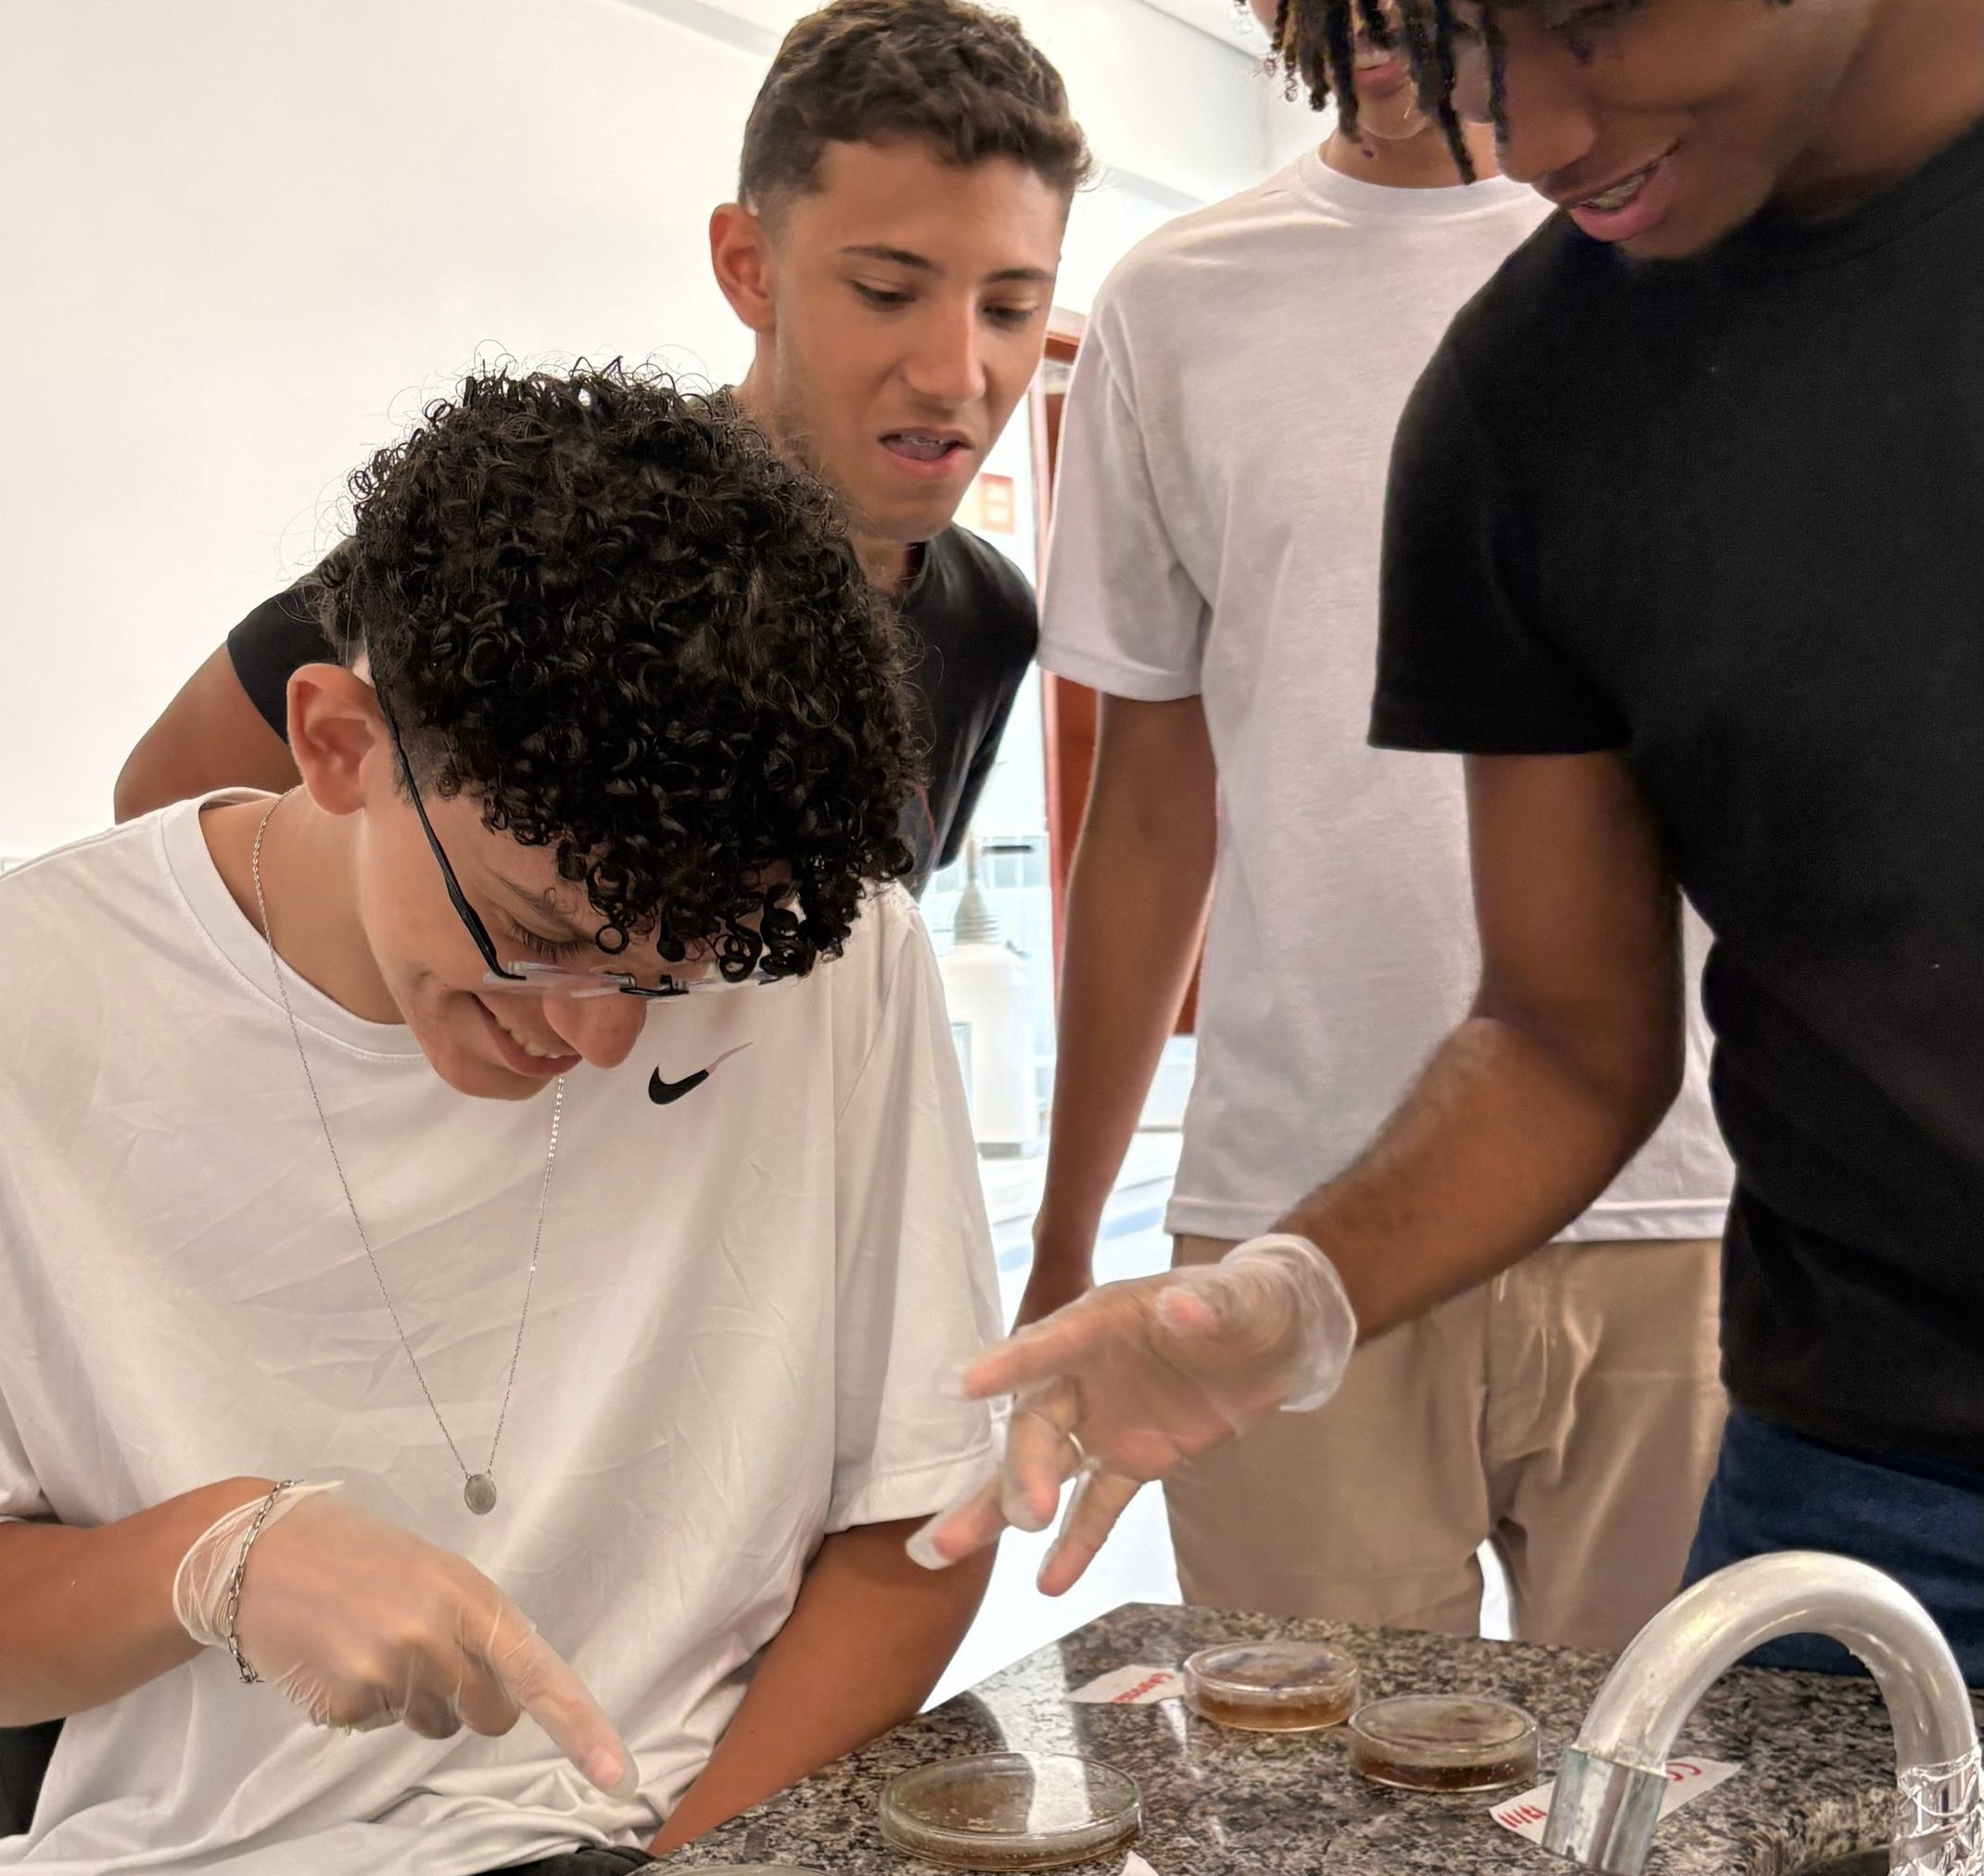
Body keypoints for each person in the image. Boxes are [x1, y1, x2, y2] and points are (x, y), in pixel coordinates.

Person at [0, 365, 1003, 1876]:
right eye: (539, 944)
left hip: (656, 1858)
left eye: (677, 973)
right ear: (339, 744)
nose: (602, 1039)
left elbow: (916, 1529)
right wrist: (219, 1558)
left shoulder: (838, 969)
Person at [916, 0, 1984, 1686]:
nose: (1531, 133)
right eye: (1463, 44)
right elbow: (1565, 1028)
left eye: (1575, 22)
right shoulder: (1532, 390)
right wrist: (1291, 1297)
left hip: (1699, 1269)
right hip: (1857, 1450)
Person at [1018, 0, 1731, 1647]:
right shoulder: (1175, 303)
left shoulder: (1690, 245)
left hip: (1680, 1199)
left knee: (1679, 1855)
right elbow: (1147, 813)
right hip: (1294, 1199)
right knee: (1315, 1829)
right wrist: (1069, 1232)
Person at [112, 0, 1088, 894]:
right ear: (750, 268)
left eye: (1010, 307)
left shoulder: (993, 621)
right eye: (886, 291)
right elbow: (167, 805)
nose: (958, 373)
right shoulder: (543, 521)